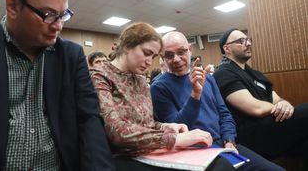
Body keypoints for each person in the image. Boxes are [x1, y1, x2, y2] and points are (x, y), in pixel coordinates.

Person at [0, 0, 113, 170]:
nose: (59, 26)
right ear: (12, 6)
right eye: (48, 14)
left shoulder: (71, 56)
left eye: (63, 15)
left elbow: (89, 120)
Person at [91, 22, 235, 171]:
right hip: (124, 157)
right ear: (127, 46)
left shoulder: (139, 79)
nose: (149, 62)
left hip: (150, 151)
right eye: (147, 53)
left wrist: (166, 126)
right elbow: (117, 132)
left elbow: (146, 124)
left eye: (153, 56)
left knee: (222, 165)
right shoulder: (100, 76)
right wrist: (175, 139)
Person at [150, 31, 284, 171]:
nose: (176, 59)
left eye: (181, 52)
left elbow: (224, 113)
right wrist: (195, 95)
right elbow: (179, 129)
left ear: (190, 49)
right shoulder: (158, 88)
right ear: (162, 57)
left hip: (224, 145)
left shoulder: (208, 78)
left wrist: (229, 141)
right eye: (169, 55)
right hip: (194, 151)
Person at [213, 28, 308, 160]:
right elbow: (255, 109)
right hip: (250, 136)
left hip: (271, 127)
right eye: (241, 41)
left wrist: (284, 103)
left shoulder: (256, 74)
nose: (248, 43)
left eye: (248, 40)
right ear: (227, 48)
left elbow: (276, 98)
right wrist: (279, 108)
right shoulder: (223, 73)